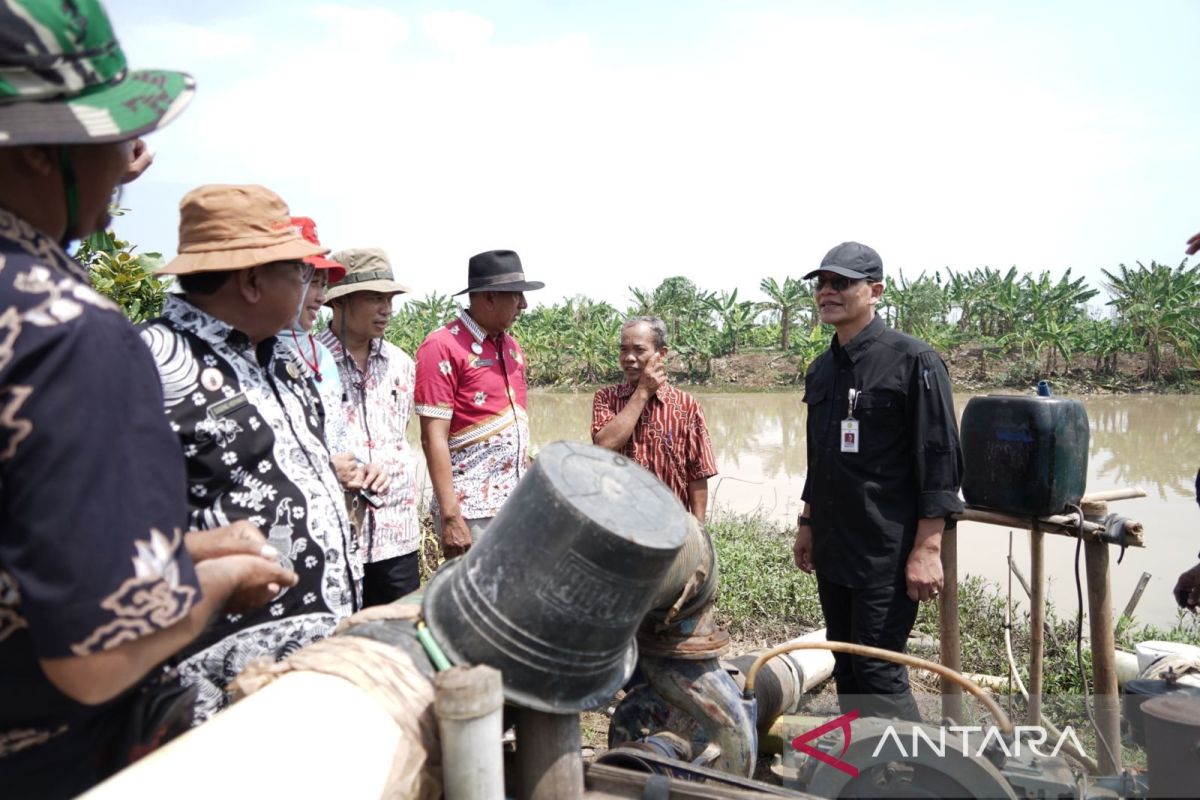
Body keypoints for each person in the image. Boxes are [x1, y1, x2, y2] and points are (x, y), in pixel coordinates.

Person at [0, 3, 294, 795]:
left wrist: (186, 548)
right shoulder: (65, 333)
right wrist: (224, 580)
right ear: (30, 156)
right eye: (106, 136)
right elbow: (98, 653)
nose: (135, 157)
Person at [142, 184, 360, 722]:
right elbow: (103, 531)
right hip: (216, 688)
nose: (309, 285)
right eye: (300, 272)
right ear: (253, 279)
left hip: (314, 663)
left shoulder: (283, 357)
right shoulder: (151, 364)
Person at [793, 241, 964, 722]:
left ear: (875, 291)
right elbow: (818, 458)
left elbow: (940, 460)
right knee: (845, 662)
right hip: (833, 544)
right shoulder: (822, 369)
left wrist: (927, 549)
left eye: (841, 283)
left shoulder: (913, 360)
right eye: (822, 283)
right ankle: (869, 771)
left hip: (884, 552)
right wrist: (807, 522)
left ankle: (916, 776)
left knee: (878, 668)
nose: (827, 291)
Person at [415, 250, 543, 557]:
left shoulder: (511, 348)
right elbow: (433, 437)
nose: (524, 305)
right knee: (472, 599)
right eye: (516, 296)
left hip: (515, 506)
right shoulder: (442, 346)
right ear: (487, 298)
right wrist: (450, 516)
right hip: (471, 512)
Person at [318, 248, 421, 605]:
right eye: (375, 298)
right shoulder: (309, 363)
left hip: (398, 534)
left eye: (390, 299)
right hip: (337, 538)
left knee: (398, 643)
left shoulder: (401, 364)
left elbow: (400, 434)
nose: (387, 309)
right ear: (341, 302)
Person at [592, 316, 718, 521]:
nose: (629, 358)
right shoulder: (606, 398)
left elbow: (697, 473)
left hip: (671, 527)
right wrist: (642, 392)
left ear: (662, 354)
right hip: (618, 524)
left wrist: (698, 532)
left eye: (639, 350)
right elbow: (604, 445)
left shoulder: (687, 405)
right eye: (624, 349)